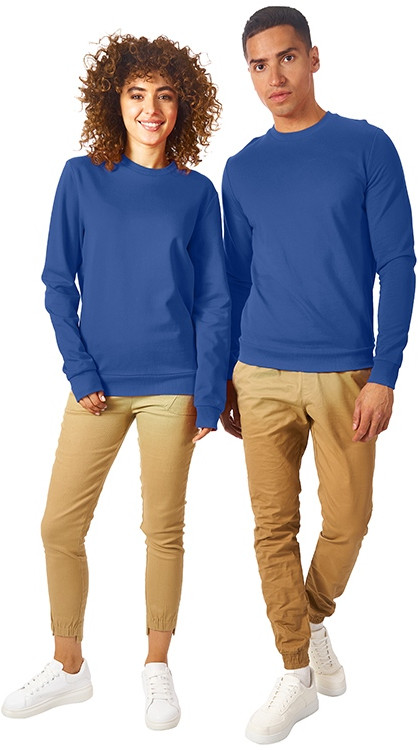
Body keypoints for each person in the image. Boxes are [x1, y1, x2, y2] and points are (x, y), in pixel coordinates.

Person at [2, 33, 230, 729]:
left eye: (165, 96)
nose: (151, 109)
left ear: (183, 106)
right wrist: (80, 370)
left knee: (162, 528)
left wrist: (209, 392)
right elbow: (55, 285)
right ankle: (70, 667)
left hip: (174, 385)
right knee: (58, 526)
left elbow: (214, 300)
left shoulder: (196, 193)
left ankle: (157, 666)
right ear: (115, 101)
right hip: (96, 384)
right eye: (137, 95)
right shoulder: (81, 178)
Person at [221, 6, 415, 744]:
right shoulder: (242, 168)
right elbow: (234, 279)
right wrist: (225, 375)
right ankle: (296, 671)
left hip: (346, 374)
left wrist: (385, 373)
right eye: (259, 65)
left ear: (313, 58)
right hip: (259, 370)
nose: (274, 76)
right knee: (273, 528)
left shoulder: (366, 146)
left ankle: (312, 617)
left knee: (349, 521)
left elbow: (399, 263)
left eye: (286, 58)